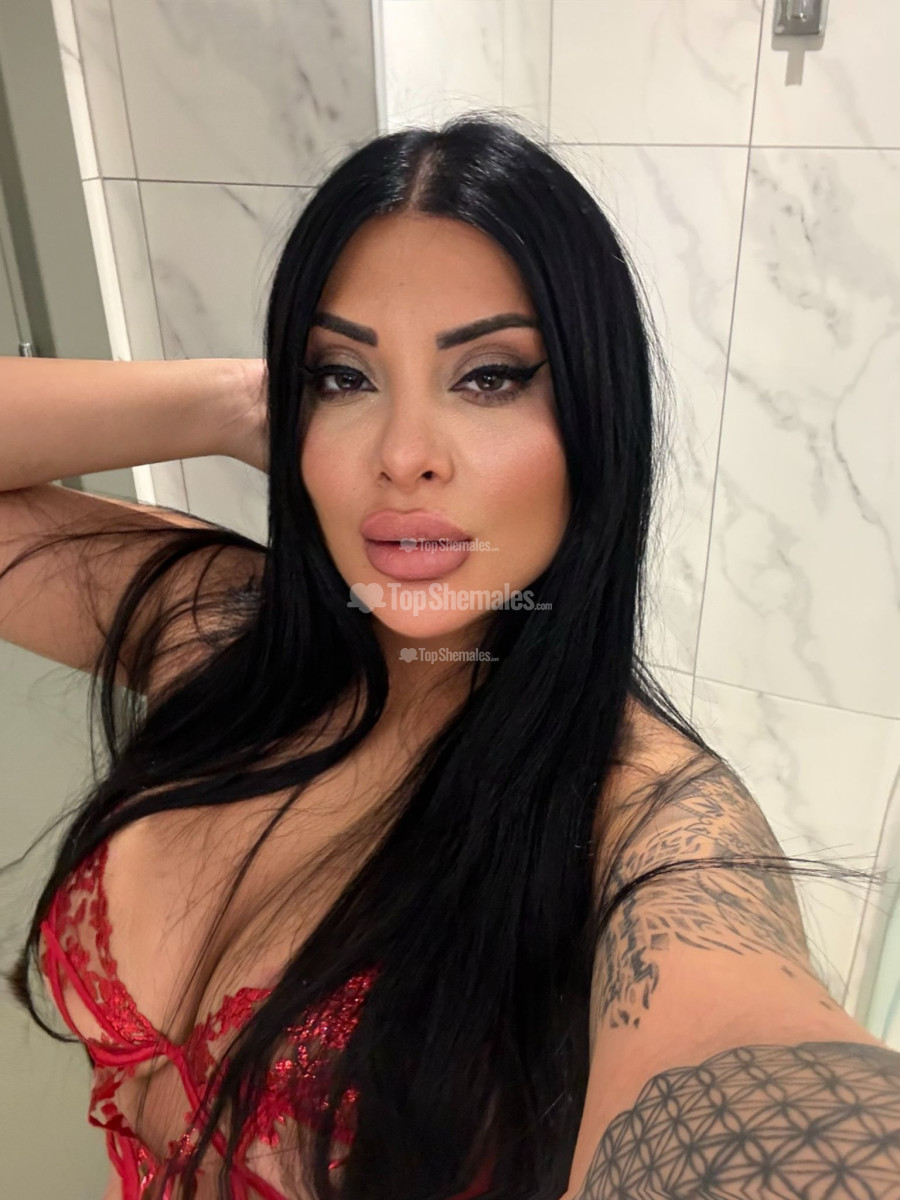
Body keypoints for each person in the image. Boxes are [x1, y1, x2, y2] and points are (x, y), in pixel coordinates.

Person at [1, 112, 898, 1200]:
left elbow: (750, 1087)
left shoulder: (651, 827)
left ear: (595, 418)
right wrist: (243, 398)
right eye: (345, 377)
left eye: (489, 377)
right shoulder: (220, 627)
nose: (405, 455)